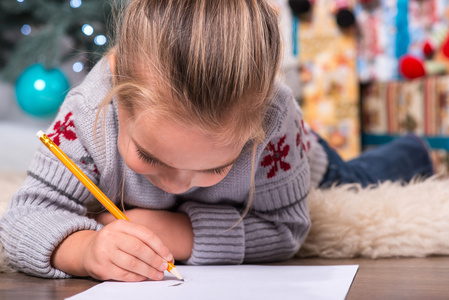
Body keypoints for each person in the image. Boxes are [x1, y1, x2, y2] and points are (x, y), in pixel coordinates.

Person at [0, 0, 433, 282]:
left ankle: (415, 149)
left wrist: (178, 232)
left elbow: (288, 228)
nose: (177, 186)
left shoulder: (275, 120)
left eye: (213, 167)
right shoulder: (88, 112)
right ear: (117, 92)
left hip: (307, 159)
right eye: (150, 156)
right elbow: (24, 217)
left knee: (358, 177)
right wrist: (83, 248)